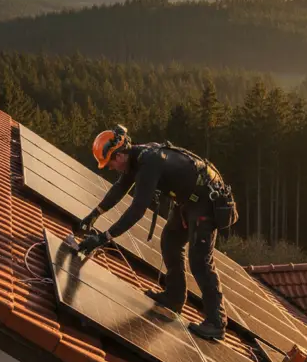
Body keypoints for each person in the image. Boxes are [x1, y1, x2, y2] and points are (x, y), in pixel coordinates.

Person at [77, 124, 238, 341]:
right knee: (170, 241)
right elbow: (119, 189)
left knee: (199, 260)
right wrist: (94, 214)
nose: (111, 167)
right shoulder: (134, 160)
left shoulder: (149, 162)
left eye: (111, 162)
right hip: (187, 201)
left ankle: (217, 322)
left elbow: (137, 210)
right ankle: (174, 297)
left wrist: (103, 238)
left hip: (205, 202)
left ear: (121, 153)